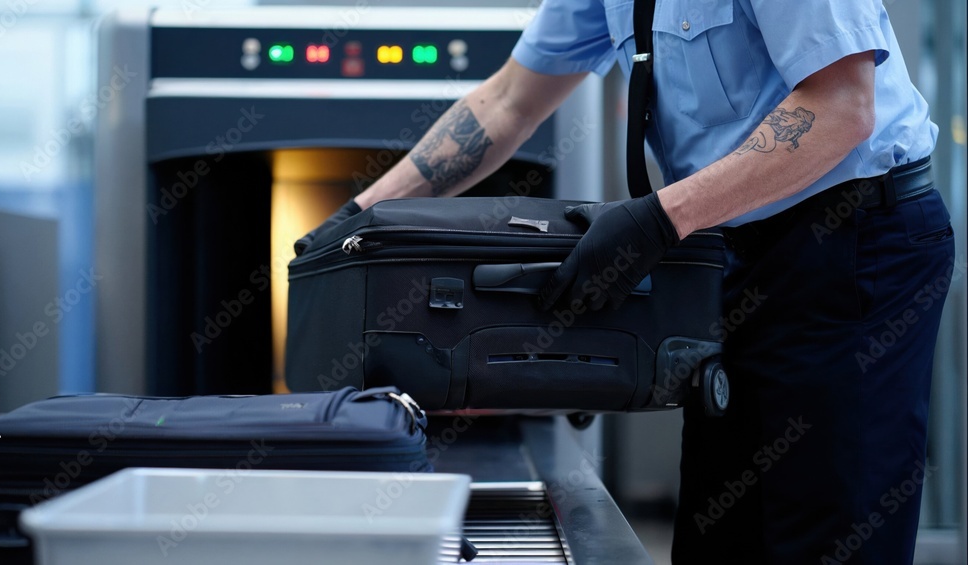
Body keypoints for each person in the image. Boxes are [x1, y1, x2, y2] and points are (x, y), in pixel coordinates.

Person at [300, 1, 955, 562]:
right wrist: (361, 218)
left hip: (857, 242)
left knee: (825, 530)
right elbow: (506, 102)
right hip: (731, 241)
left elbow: (840, 107)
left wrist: (657, 221)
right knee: (721, 532)